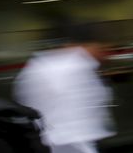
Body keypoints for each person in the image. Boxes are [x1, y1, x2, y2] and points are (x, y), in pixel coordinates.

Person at [13, 20, 114, 153]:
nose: (104, 53)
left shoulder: (37, 65)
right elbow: (74, 123)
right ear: (87, 44)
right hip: (65, 144)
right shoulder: (75, 68)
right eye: (101, 47)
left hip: (45, 142)